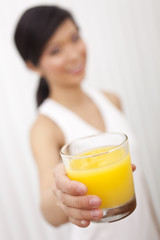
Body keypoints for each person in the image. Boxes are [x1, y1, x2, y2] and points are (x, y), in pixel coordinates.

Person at [14, 5, 159, 240]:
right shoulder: (45, 127)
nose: (73, 54)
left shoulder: (112, 100)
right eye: (56, 50)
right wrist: (61, 192)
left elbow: (138, 185)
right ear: (33, 66)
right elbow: (48, 209)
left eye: (75, 38)